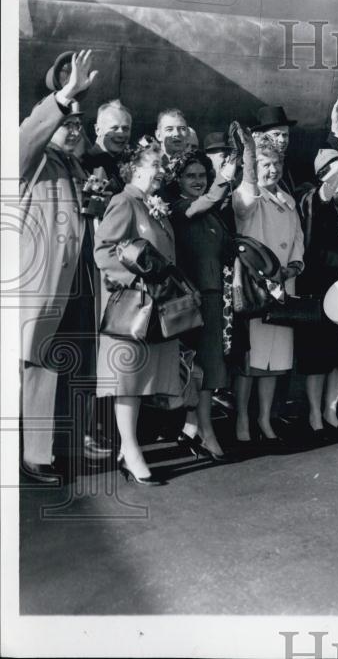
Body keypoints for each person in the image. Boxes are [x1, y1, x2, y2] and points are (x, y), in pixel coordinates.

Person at [18, 50, 101, 483]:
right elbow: (25, 138)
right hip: (44, 284)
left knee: (70, 362)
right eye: (67, 124)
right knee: (39, 365)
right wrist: (63, 98)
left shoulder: (75, 166)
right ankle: (35, 456)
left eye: (78, 125)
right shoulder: (33, 161)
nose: (74, 130)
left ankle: (60, 445)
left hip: (77, 283)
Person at [94, 143, 181, 485]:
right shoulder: (124, 201)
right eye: (156, 164)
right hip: (133, 304)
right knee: (128, 380)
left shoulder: (151, 205)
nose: (162, 171)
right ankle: (131, 450)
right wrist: (135, 280)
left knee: (143, 378)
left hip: (155, 304)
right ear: (136, 169)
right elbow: (104, 250)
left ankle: (128, 447)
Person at [231, 129, 304, 446]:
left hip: (284, 285)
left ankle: (264, 418)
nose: (272, 170)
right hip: (255, 286)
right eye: (265, 164)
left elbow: (298, 240)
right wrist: (248, 160)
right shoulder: (246, 195)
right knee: (252, 360)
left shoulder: (288, 201)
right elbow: (245, 204)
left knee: (275, 358)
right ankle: (242, 419)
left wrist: (294, 266)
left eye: (276, 164)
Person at [168, 149, 239, 460]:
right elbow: (203, 203)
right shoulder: (180, 208)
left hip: (214, 297)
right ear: (179, 181)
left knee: (209, 367)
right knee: (202, 367)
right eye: (190, 176)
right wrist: (225, 176)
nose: (197, 181)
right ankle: (206, 432)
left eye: (201, 175)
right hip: (193, 298)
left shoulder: (212, 213)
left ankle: (193, 428)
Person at [296, 139, 338, 436]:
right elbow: (324, 193)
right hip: (315, 284)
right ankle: (314, 413)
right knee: (316, 356)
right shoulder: (312, 198)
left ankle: (331, 411)